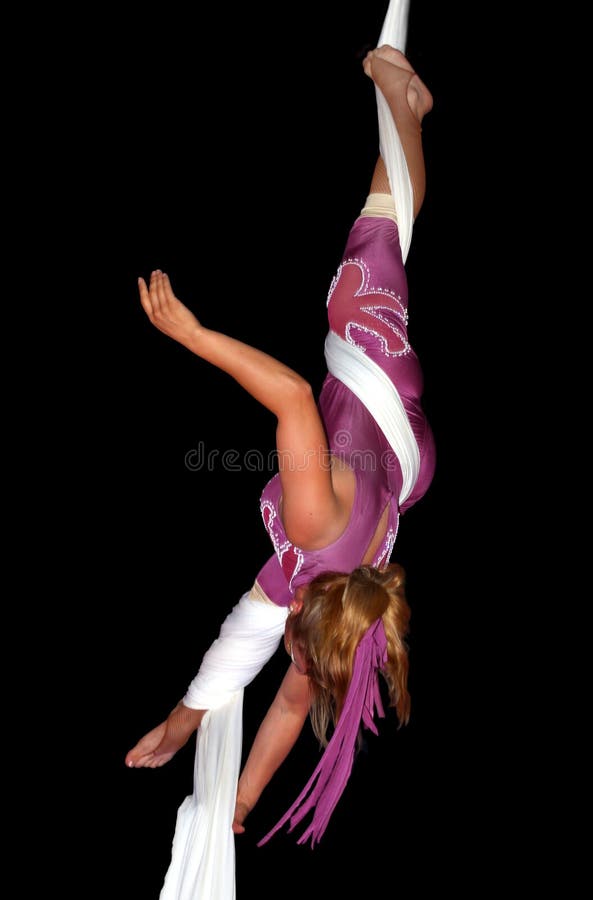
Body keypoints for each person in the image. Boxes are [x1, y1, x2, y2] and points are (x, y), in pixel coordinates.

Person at [126, 41, 435, 879]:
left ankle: (401, 110)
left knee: (388, 228)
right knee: (378, 238)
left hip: (394, 464)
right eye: (298, 650)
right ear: (307, 611)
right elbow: (295, 397)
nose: (292, 669)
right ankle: (405, 104)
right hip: (372, 386)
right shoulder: (313, 535)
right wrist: (191, 336)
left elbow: (268, 681)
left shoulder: (339, 611)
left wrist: (230, 792)